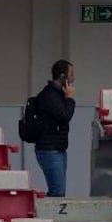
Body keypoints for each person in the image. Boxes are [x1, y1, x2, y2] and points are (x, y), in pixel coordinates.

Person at [34, 59, 75, 197]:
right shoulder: (49, 96)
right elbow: (64, 116)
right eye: (71, 75)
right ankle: (44, 216)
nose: (73, 79)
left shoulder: (57, 95)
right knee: (57, 192)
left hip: (58, 149)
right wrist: (70, 98)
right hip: (49, 150)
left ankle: (48, 217)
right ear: (62, 77)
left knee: (58, 191)